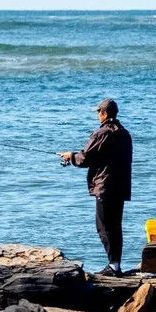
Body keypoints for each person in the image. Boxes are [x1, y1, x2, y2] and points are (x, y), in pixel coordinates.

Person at [59, 98, 133, 276]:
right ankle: (115, 265)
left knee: (103, 227)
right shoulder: (124, 134)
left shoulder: (102, 133)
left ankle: (113, 266)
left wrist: (71, 156)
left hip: (105, 187)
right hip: (120, 186)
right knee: (115, 226)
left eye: (98, 112)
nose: (98, 115)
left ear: (105, 113)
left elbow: (86, 158)